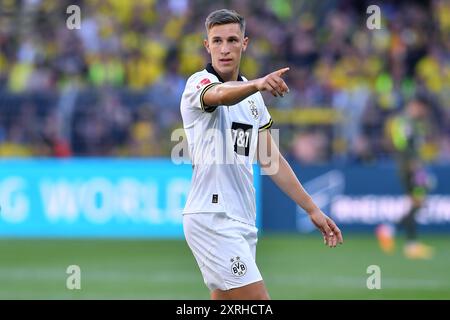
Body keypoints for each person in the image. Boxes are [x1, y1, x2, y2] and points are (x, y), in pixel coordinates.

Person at [180, 9, 343, 300]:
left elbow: (271, 160)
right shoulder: (198, 84)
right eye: (217, 41)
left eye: (232, 40)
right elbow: (218, 96)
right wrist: (256, 83)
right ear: (207, 45)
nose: (225, 48)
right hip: (213, 217)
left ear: (245, 43)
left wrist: (312, 209)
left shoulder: (253, 101)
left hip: (242, 219)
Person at [376, 95, 435, 259]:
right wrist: (413, 162)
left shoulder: (414, 123)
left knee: (417, 202)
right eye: (422, 108)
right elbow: (402, 144)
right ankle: (409, 243)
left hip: (415, 167)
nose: (424, 112)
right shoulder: (404, 122)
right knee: (417, 202)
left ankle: (390, 231)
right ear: (415, 105)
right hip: (409, 168)